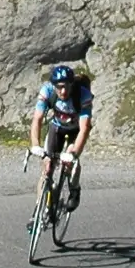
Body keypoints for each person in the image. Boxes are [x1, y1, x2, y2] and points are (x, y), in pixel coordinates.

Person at [29, 64, 93, 211]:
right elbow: (37, 119)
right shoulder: (47, 91)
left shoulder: (82, 95)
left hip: (75, 131)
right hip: (56, 128)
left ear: (72, 84)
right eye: (59, 87)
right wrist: (35, 145)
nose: (63, 91)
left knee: (71, 162)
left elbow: (84, 129)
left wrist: (74, 153)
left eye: (66, 86)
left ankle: (74, 190)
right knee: (46, 168)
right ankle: (38, 210)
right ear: (54, 85)